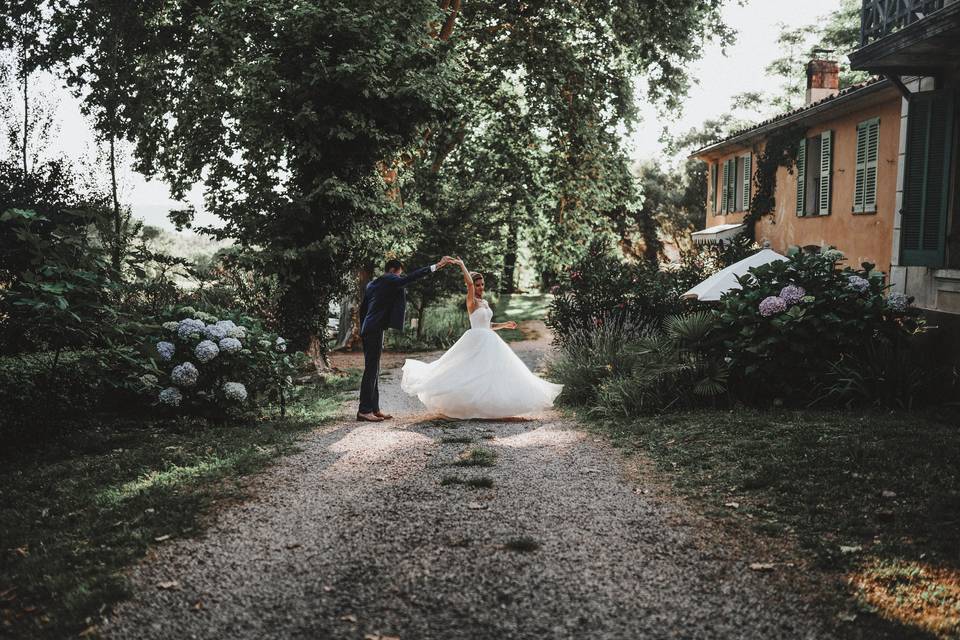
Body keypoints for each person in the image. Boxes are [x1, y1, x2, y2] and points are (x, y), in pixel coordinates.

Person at [400, 257, 562, 419]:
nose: (480, 287)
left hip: (490, 340)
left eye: (482, 284)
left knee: (492, 373)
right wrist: (462, 265)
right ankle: (469, 405)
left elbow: (487, 324)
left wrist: (504, 324)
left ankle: (491, 406)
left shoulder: (484, 302)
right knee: (468, 372)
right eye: (477, 285)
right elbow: (469, 285)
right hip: (475, 340)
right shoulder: (471, 301)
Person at [357, 255, 455, 422]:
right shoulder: (390, 279)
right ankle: (364, 410)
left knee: (374, 369)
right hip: (373, 330)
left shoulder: (373, 284)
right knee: (371, 369)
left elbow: (363, 310)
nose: (400, 277)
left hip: (371, 329)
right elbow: (411, 278)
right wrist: (437, 266)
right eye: (399, 274)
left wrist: (364, 329)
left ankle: (374, 408)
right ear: (394, 271)